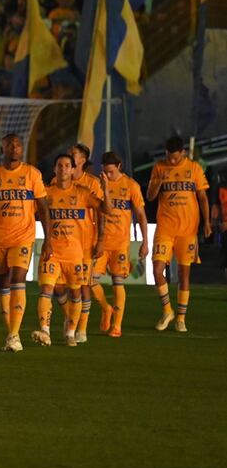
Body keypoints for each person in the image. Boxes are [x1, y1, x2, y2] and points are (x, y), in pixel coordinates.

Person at [0, 133, 52, 352]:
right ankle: (12, 333)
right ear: (3, 149)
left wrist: (48, 238)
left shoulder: (32, 174)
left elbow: (43, 207)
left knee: (18, 278)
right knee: (2, 285)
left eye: (18, 145)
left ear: (22, 149)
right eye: (9, 144)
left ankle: (12, 336)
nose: (14, 147)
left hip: (23, 237)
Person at [31, 154, 106, 347]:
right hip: (52, 252)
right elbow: (27, 211)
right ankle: (45, 331)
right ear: (55, 169)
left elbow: (106, 209)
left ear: (73, 170)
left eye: (67, 165)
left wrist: (107, 190)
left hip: (75, 254)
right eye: (60, 165)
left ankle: (71, 332)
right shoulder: (46, 194)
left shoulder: (82, 193)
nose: (63, 169)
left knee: (76, 294)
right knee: (47, 289)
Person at [146, 136, 212, 332]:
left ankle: (181, 318)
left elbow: (202, 197)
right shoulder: (159, 167)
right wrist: (159, 182)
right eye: (169, 157)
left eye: (175, 158)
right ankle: (167, 310)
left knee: (184, 274)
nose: (172, 162)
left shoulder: (194, 169)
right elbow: (150, 196)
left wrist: (207, 222)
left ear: (182, 153)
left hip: (187, 230)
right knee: (157, 269)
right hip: (165, 228)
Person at [100, 151, 149, 337]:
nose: (108, 175)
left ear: (119, 166)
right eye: (105, 172)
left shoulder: (130, 185)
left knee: (118, 283)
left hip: (120, 243)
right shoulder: (99, 184)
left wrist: (145, 242)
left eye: (111, 172)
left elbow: (141, 215)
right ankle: (106, 308)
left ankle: (117, 326)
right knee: (89, 282)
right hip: (100, 241)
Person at [66, 143, 106, 342]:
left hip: (84, 243)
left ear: (82, 160)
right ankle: (71, 318)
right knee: (59, 286)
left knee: (83, 285)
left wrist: (100, 239)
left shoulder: (92, 183)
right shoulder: (58, 180)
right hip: (62, 243)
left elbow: (101, 213)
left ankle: (81, 328)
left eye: (73, 154)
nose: (69, 157)